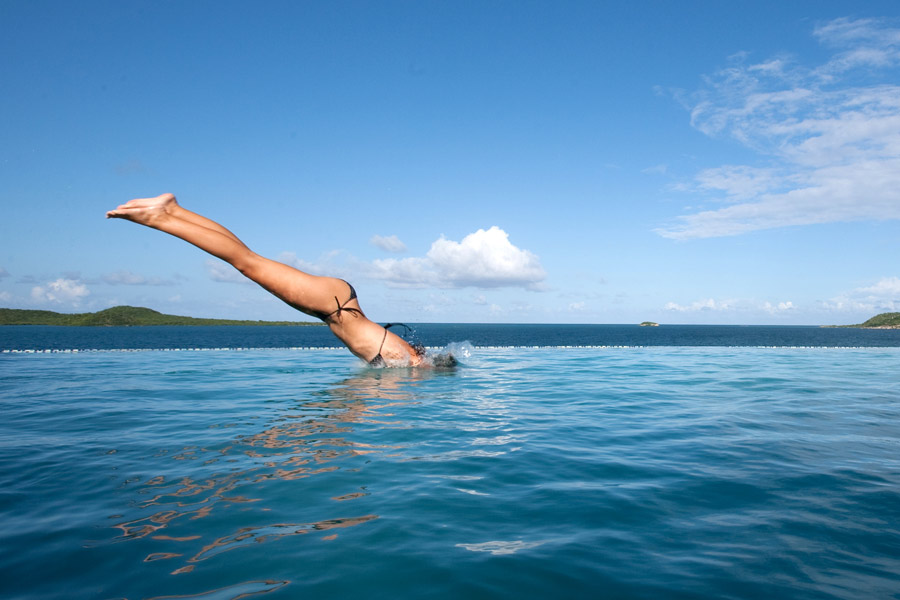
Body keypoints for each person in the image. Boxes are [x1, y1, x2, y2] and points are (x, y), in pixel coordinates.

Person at [106, 193, 433, 367]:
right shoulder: (411, 365)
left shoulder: (404, 357)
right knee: (246, 262)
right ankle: (161, 218)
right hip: (333, 305)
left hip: (337, 300)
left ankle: (174, 211)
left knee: (249, 258)